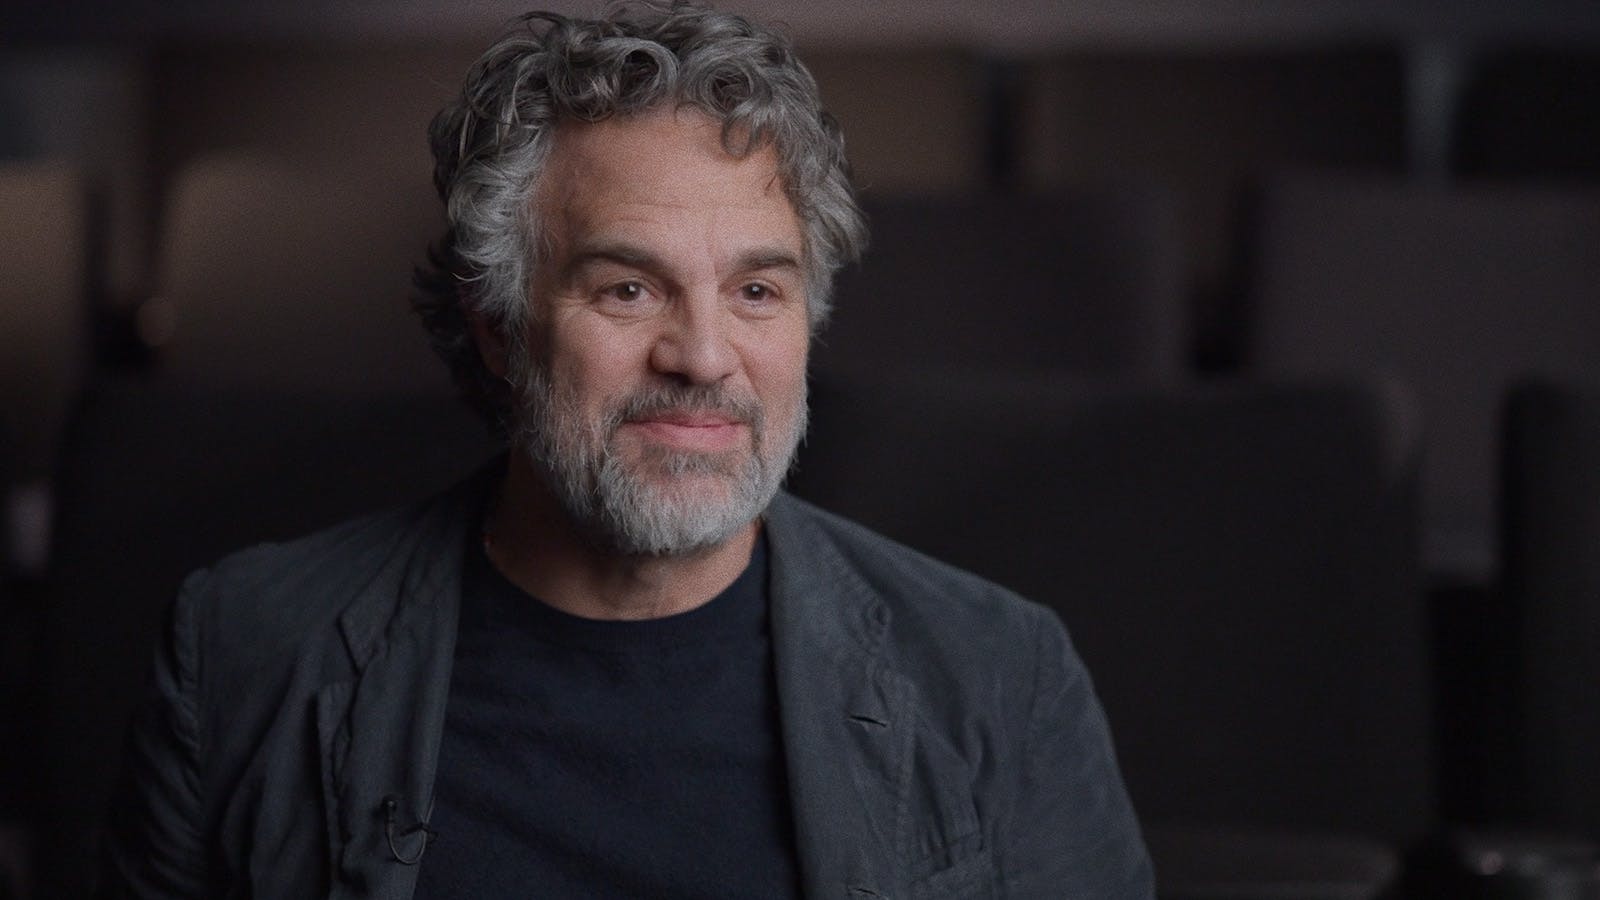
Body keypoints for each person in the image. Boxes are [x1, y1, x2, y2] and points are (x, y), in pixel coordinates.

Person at [101, 3, 1153, 897]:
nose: (703, 356)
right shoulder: (241, 655)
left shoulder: (998, 676)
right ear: (498, 327)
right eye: (628, 288)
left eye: (756, 290)